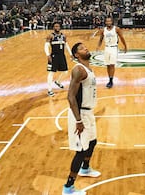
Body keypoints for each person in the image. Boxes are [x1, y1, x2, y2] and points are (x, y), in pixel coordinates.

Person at [62, 42, 101, 195]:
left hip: (88, 112)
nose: (86, 48)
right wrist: (78, 121)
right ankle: (68, 188)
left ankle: (85, 169)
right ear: (77, 55)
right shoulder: (78, 70)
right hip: (79, 115)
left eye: (86, 47)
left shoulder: (88, 69)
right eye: (81, 48)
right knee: (80, 150)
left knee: (92, 142)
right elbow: (70, 96)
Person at [96, 17, 127, 88]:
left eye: (110, 21)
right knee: (108, 65)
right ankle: (109, 78)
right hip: (106, 47)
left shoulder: (116, 29)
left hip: (114, 47)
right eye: (107, 21)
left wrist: (125, 46)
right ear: (105, 22)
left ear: (112, 22)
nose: (108, 22)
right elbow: (101, 39)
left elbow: (122, 38)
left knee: (112, 64)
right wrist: (98, 46)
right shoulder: (103, 30)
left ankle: (111, 80)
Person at [45, 22, 73, 96]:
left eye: (58, 26)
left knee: (65, 71)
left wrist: (71, 54)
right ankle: (49, 90)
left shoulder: (63, 36)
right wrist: (48, 55)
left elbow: (66, 45)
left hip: (61, 55)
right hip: (54, 56)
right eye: (55, 26)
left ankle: (58, 81)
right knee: (51, 73)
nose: (57, 27)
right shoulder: (50, 36)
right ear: (53, 27)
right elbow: (46, 45)